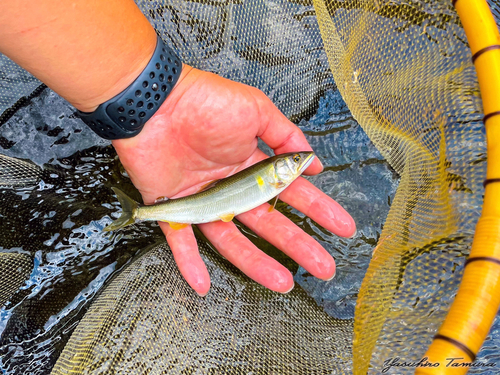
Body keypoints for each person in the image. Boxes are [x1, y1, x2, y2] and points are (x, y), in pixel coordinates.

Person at [0, 0, 356, 296]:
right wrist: (160, 97)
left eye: (293, 161)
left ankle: (138, 212)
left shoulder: (274, 179)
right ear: (280, 169)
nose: (298, 161)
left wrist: (150, 95)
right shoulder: (275, 178)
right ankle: (138, 213)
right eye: (292, 161)